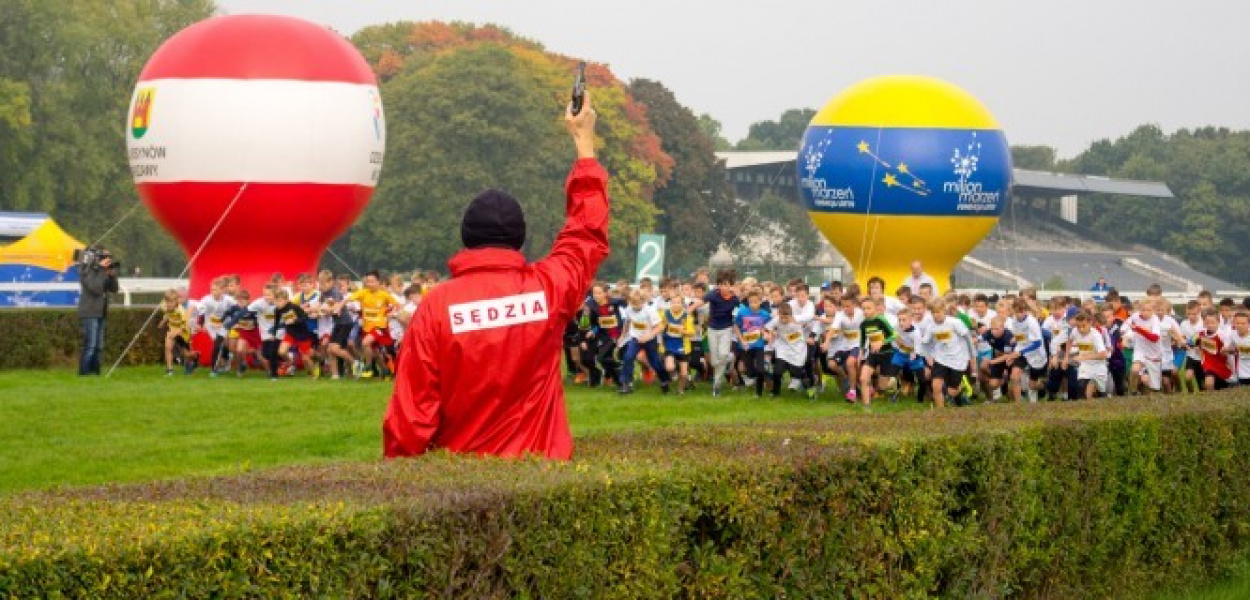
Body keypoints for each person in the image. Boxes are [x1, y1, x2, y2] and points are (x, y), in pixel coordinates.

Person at [383, 91, 608, 461]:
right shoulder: (548, 288)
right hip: (542, 479)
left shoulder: (437, 305)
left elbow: (411, 413)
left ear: (467, 238)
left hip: (460, 489)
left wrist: (401, 486)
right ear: (519, 239)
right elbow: (586, 232)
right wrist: (584, 141)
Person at [77, 248, 119, 375]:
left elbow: (114, 289)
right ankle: (84, 372)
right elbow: (95, 288)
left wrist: (111, 276)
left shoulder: (102, 272)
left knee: (98, 347)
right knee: (90, 346)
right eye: (104, 257)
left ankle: (95, 372)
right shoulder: (87, 270)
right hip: (90, 312)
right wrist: (101, 270)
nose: (107, 260)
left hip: (101, 312)